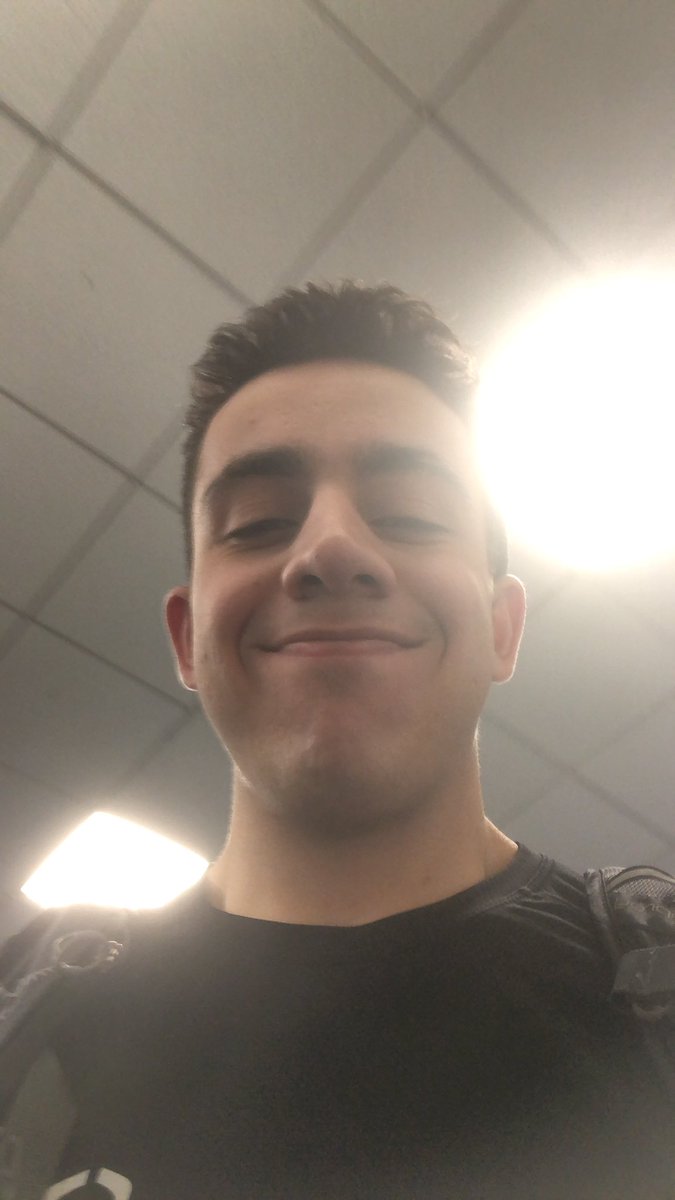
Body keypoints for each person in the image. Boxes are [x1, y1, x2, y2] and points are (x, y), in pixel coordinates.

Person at [3, 282, 674, 1198]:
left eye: (410, 514)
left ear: (502, 628)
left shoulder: (651, 978)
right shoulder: (29, 1020)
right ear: (187, 639)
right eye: (258, 524)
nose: (328, 549)